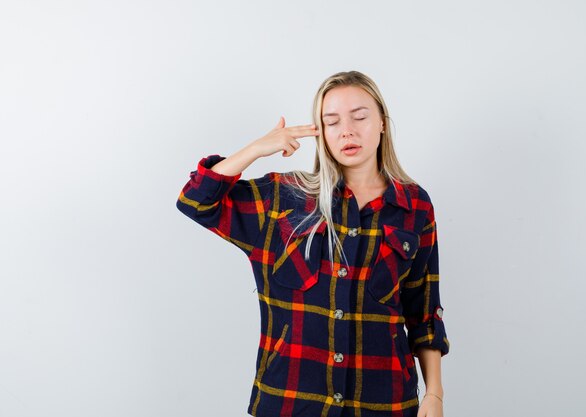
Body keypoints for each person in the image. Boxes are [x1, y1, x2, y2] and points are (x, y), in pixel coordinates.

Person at [176, 70, 450, 417]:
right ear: (320, 133)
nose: (347, 130)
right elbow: (196, 201)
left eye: (360, 117)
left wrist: (434, 395)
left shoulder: (414, 206)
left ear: (382, 122)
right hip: (291, 402)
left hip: (383, 403)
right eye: (332, 122)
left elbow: (424, 310)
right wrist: (257, 149)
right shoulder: (284, 198)